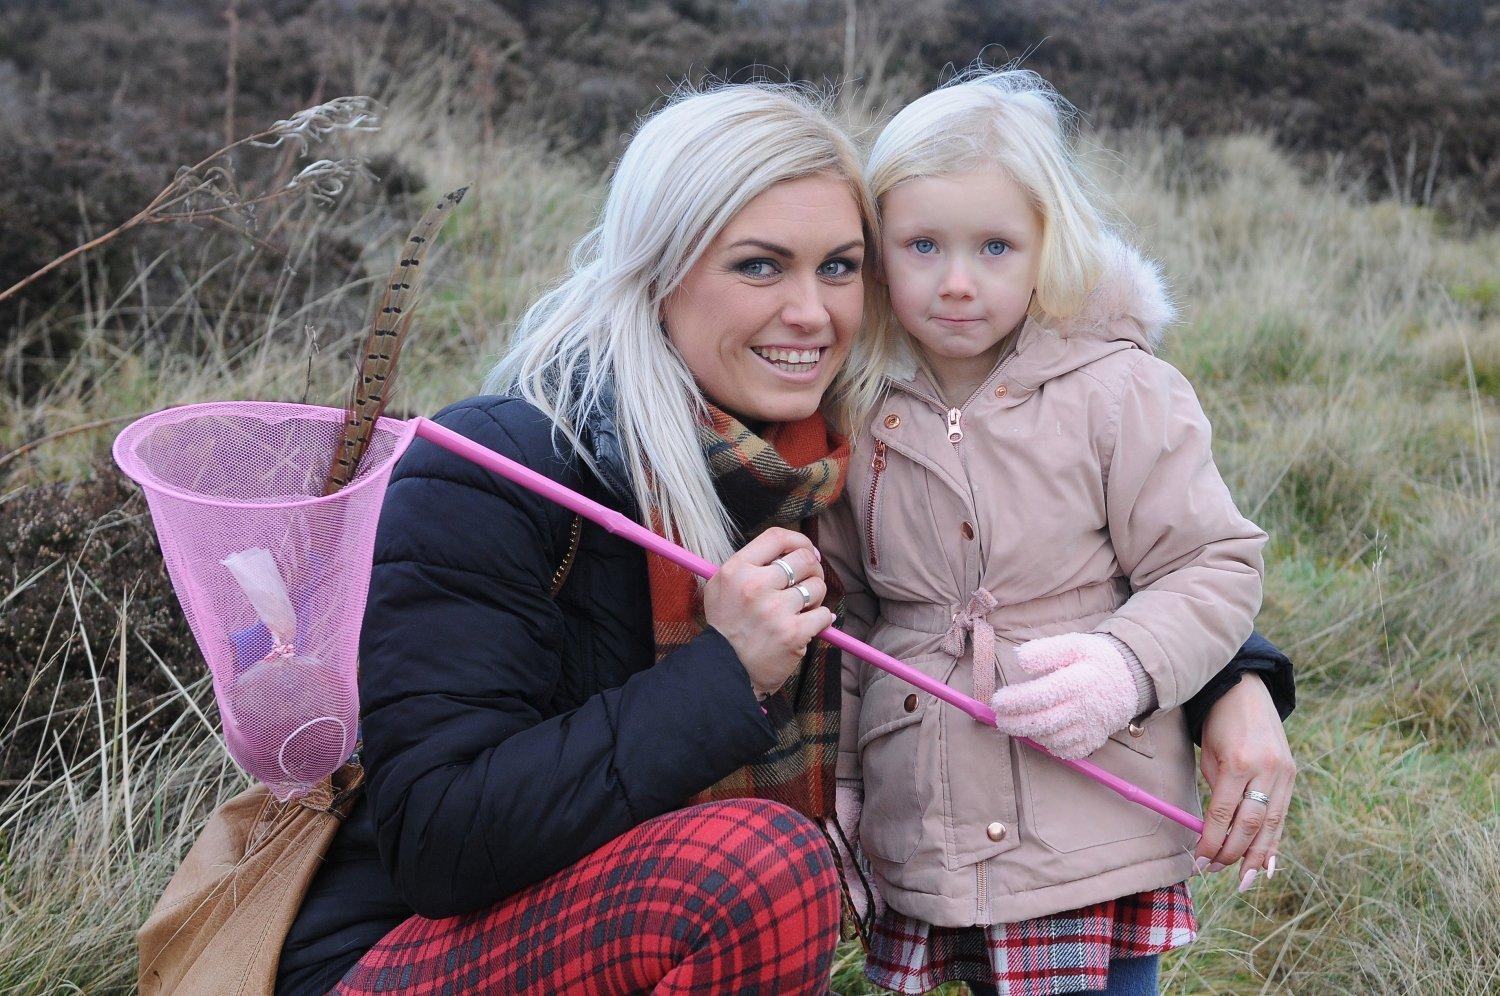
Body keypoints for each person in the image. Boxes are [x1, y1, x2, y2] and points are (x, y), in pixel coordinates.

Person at [274, 81, 1295, 995]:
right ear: (661, 269)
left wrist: (1214, 680)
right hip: (416, 953)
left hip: (646, 932)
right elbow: (439, 840)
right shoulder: (503, 464)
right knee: (760, 875)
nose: (810, 312)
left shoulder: (831, 448)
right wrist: (723, 674)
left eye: (840, 266)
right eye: (760, 265)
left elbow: (1006, 552)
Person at [824, 68, 1292, 996]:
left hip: (1091, 810)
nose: (957, 283)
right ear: (879, 252)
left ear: (1049, 245)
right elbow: (849, 612)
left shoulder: (1120, 391)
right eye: (922, 245)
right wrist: (839, 776)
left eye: (996, 246)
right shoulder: (863, 406)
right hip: (923, 803)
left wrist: (1127, 665)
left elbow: (1212, 561)